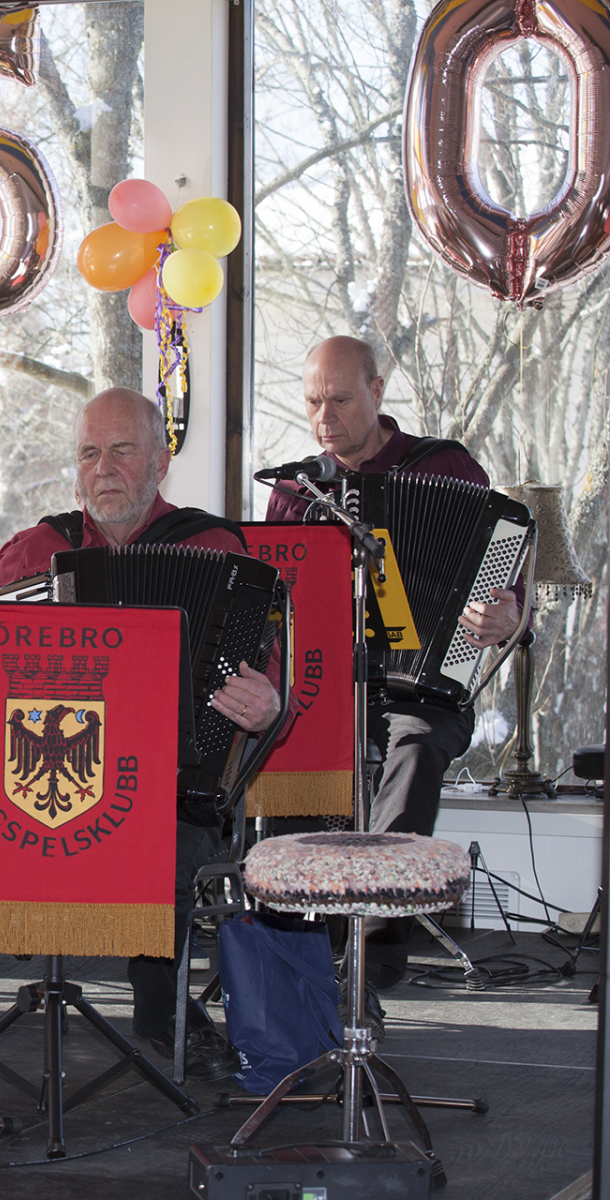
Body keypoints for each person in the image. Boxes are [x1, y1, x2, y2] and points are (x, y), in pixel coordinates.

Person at [0, 388, 281, 1084]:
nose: (103, 468)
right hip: (33, 773)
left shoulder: (211, 549)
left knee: (181, 832)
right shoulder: (40, 548)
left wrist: (265, 704)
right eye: (89, 453)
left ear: (160, 462)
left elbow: (268, 673)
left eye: (122, 450)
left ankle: (161, 1008)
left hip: (161, 782)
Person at [265, 335, 520, 1014]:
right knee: (281, 739)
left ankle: (375, 944)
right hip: (324, 686)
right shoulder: (294, 491)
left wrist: (506, 611)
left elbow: (503, 574)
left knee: (414, 742)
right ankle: (295, 946)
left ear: (376, 393)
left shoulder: (443, 466)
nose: (324, 417)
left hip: (424, 684)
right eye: (313, 402)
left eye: (340, 400)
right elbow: (275, 603)